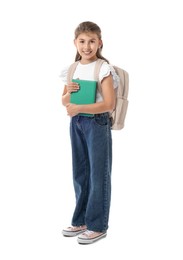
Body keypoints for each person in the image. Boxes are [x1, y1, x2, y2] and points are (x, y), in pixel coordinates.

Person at [60, 21, 119, 244]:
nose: (87, 46)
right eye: (82, 41)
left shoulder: (102, 68)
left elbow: (109, 104)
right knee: (81, 172)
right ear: (75, 43)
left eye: (92, 41)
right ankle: (81, 219)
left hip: (96, 123)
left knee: (98, 174)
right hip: (76, 123)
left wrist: (79, 107)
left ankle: (97, 225)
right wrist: (69, 95)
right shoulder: (73, 69)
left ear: (99, 43)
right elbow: (63, 100)